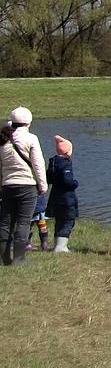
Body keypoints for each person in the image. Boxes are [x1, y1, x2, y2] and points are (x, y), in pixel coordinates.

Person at [1, 107, 47, 266]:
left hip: (7, 186)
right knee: (23, 222)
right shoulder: (31, 138)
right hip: (27, 186)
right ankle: (19, 259)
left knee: (5, 222)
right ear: (28, 122)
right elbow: (38, 165)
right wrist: (43, 185)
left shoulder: (3, 139)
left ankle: (4, 258)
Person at [46, 135, 78, 252]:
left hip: (55, 196)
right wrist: (74, 183)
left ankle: (57, 245)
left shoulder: (53, 162)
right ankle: (61, 246)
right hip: (66, 197)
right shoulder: (66, 164)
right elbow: (67, 181)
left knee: (59, 220)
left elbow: (48, 179)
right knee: (68, 220)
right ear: (68, 151)